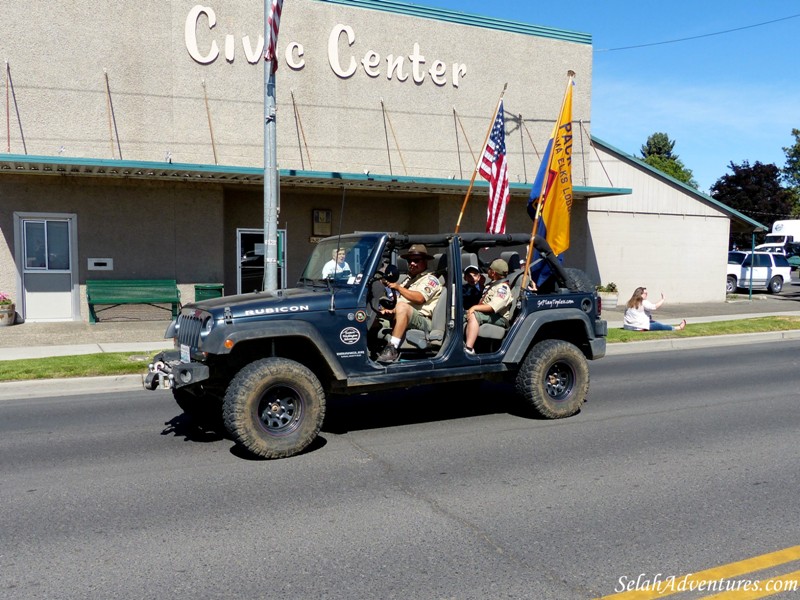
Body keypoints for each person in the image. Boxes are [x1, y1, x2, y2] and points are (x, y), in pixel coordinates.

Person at [376, 244, 442, 363]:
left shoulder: (431, 280)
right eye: (410, 260)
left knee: (402, 307)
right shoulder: (408, 279)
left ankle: (392, 348)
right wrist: (388, 310)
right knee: (373, 315)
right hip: (403, 315)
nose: (412, 263)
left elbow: (419, 298)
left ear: (425, 261)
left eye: (416, 260)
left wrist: (398, 288)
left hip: (423, 321)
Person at [464, 259, 513, 355]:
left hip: (499, 317)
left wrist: (474, 308)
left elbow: (492, 307)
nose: (488, 271)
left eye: (489, 269)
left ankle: (469, 349)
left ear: (493, 272)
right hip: (488, 315)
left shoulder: (502, 288)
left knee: (474, 314)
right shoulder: (492, 285)